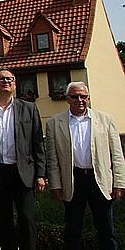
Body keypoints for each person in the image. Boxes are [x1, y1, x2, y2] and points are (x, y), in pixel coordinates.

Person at [45, 81, 125, 250]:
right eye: (75, 96)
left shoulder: (106, 120)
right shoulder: (54, 123)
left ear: (88, 98)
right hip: (73, 180)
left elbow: (117, 155)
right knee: (73, 230)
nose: (79, 100)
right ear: (67, 99)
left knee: (106, 230)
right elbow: (52, 158)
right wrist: (55, 184)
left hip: (100, 180)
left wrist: (119, 182)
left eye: (84, 96)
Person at [0, 69, 46, 250]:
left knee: (26, 218)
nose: (6, 81)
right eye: (1, 79)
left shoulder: (28, 108)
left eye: (10, 79)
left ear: (15, 84)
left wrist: (41, 174)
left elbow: (38, 143)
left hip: (23, 172)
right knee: (3, 220)